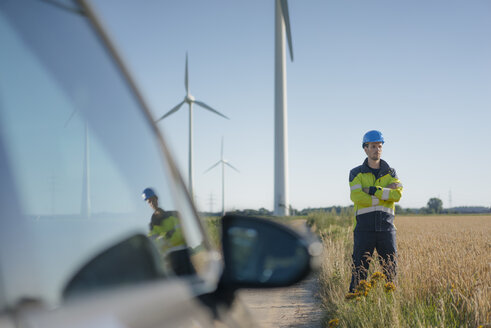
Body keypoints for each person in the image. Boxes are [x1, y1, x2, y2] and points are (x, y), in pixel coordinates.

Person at [348, 130, 403, 292]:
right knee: (359, 271)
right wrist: (385, 193)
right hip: (364, 229)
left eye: (379, 146)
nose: (376, 149)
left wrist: (373, 190)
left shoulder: (391, 172)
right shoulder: (356, 173)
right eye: (373, 146)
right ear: (365, 148)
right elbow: (357, 197)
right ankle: (355, 307)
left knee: (391, 271)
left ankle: (391, 306)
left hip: (387, 229)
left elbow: (397, 195)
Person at [142, 188, 195, 276]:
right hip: (169, 261)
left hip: (184, 254)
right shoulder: (152, 225)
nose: (152, 203)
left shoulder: (174, 215)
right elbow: (154, 244)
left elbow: (183, 234)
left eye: (153, 199)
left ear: (157, 199)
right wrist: (167, 235)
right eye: (149, 201)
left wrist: (164, 238)